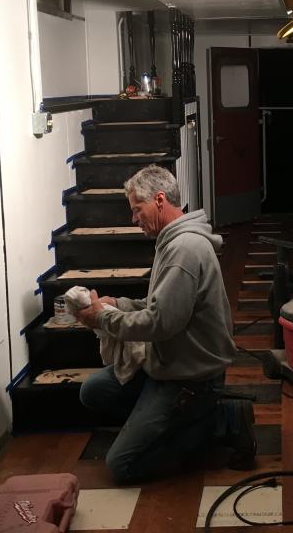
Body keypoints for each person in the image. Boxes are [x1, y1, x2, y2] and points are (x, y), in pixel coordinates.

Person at [72, 165, 255, 484]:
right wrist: (120, 305)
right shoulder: (173, 241)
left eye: (136, 209)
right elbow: (159, 307)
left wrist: (102, 317)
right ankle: (169, 422)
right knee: (93, 391)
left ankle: (223, 421)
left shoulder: (183, 250)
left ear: (158, 200)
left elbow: (159, 323)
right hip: (166, 363)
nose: (133, 219)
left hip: (190, 378)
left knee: (122, 466)